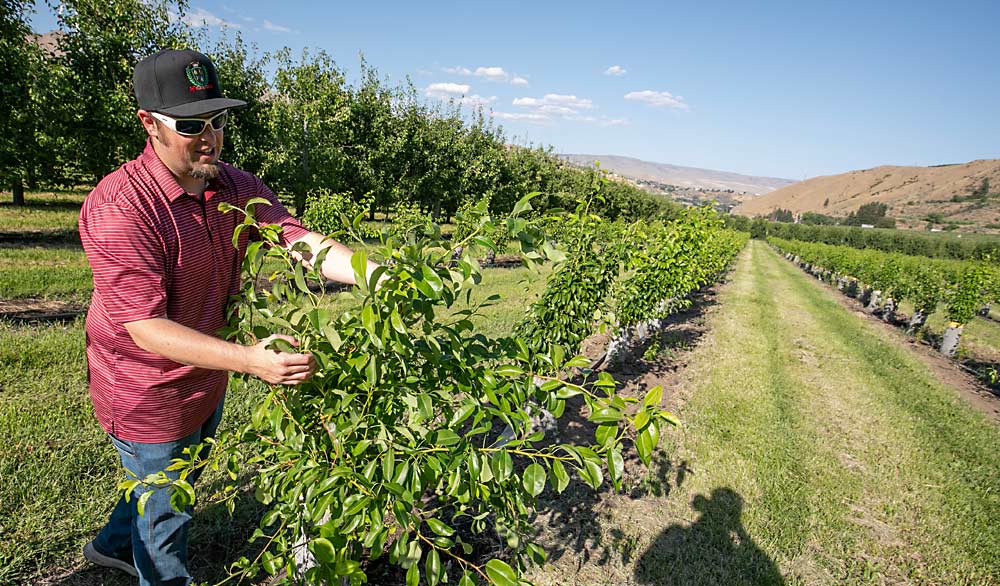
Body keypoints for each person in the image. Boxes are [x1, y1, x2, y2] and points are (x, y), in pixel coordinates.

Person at [78, 49, 378, 585]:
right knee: (166, 513)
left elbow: (297, 239)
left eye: (217, 121)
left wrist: (373, 273)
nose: (211, 137)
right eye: (192, 125)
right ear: (149, 124)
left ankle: (108, 545)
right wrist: (250, 360)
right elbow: (144, 326)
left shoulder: (233, 188)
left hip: (207, 374)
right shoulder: (121, 206)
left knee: (170, 481)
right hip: (144, 387)